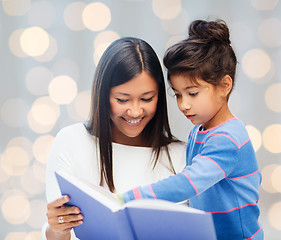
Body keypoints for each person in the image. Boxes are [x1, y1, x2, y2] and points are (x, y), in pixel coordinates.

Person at [120, 20, 263, 240]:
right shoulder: (201, 131)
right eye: (178, 94)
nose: (183, 104)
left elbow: (189, 183)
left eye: (193, 93)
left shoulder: (228, 139)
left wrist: (129, 198)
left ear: (225, 85)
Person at [42, 37, 186, 240]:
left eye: (147, 98)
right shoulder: (71, 142)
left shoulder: (181, 156)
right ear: (102, 95)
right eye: (122, 99)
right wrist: (57, 230)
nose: (135, 111)